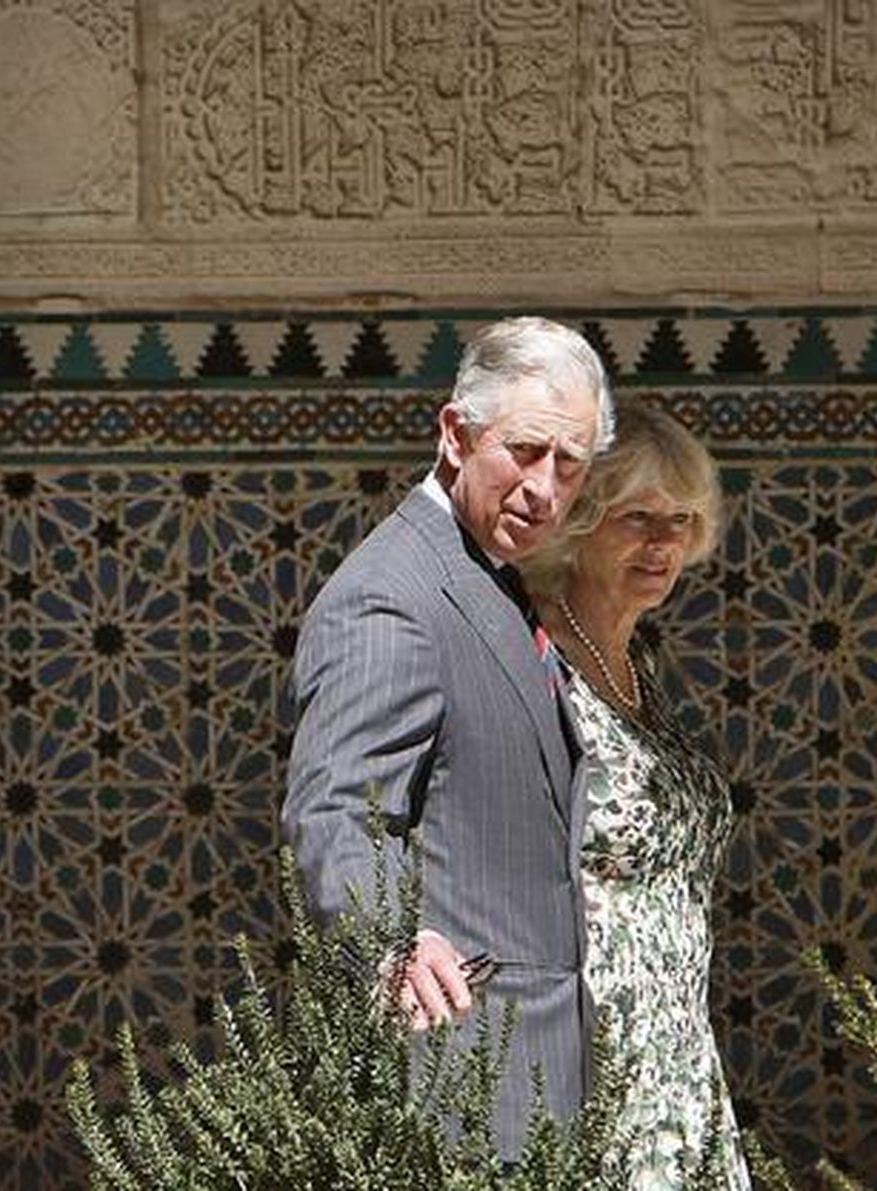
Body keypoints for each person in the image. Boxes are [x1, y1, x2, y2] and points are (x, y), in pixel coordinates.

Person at [282, 315, 613, 1159]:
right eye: (525, 452)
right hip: (461, 1078)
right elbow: (337, 810)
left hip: (535, 1073)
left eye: (569, 464)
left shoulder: (485, 574)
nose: (544, 488)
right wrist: (388, 942)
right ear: (456, 435)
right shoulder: (391, 596)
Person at [521, 396, 751, 1190]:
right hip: (587, 1056)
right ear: (578, 523)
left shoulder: (634, 665)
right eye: (637, 518)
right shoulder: (532, 659)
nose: (663, 544)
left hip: (676, 1056)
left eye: (681, 520)